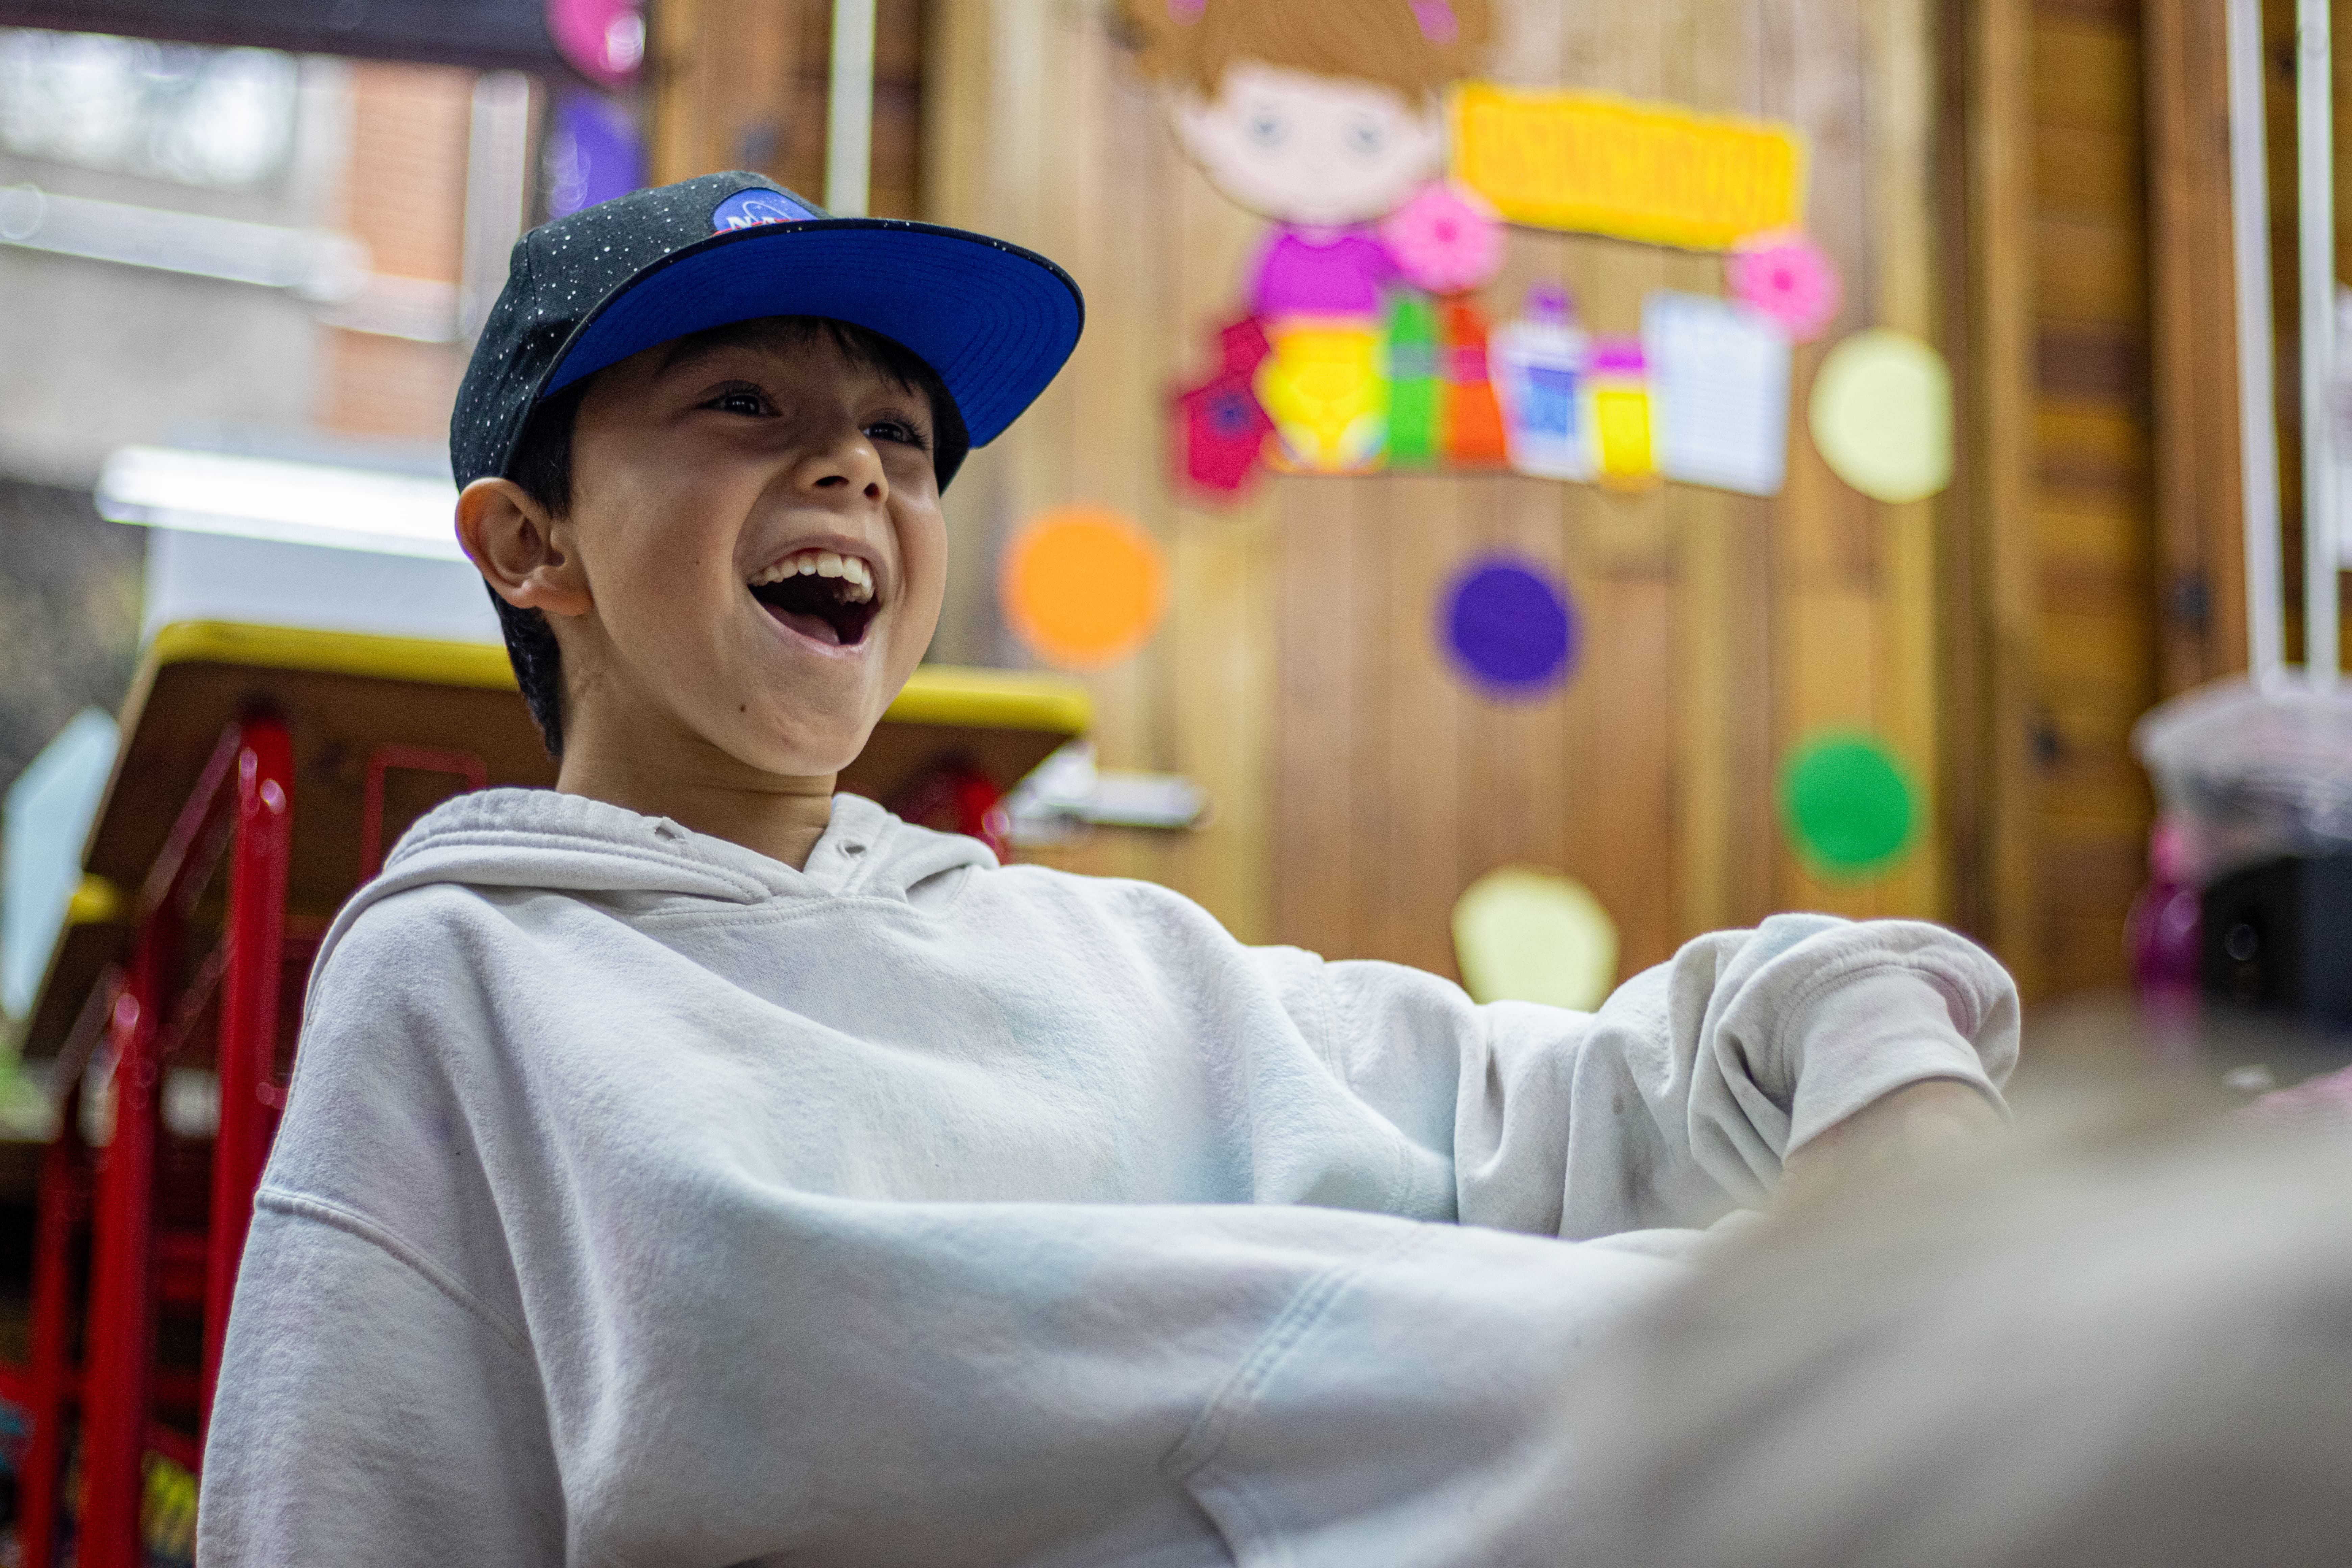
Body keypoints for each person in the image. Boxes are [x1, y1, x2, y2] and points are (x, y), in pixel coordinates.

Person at [196, 171, 2015, 1566]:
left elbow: (1594, 1102)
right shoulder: (469, 984)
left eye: (901, 436)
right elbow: (341, 1504)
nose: (852, 467)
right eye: (742, 401)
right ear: (530, 545)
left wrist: (1874, 1046)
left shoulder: (1117, 958)